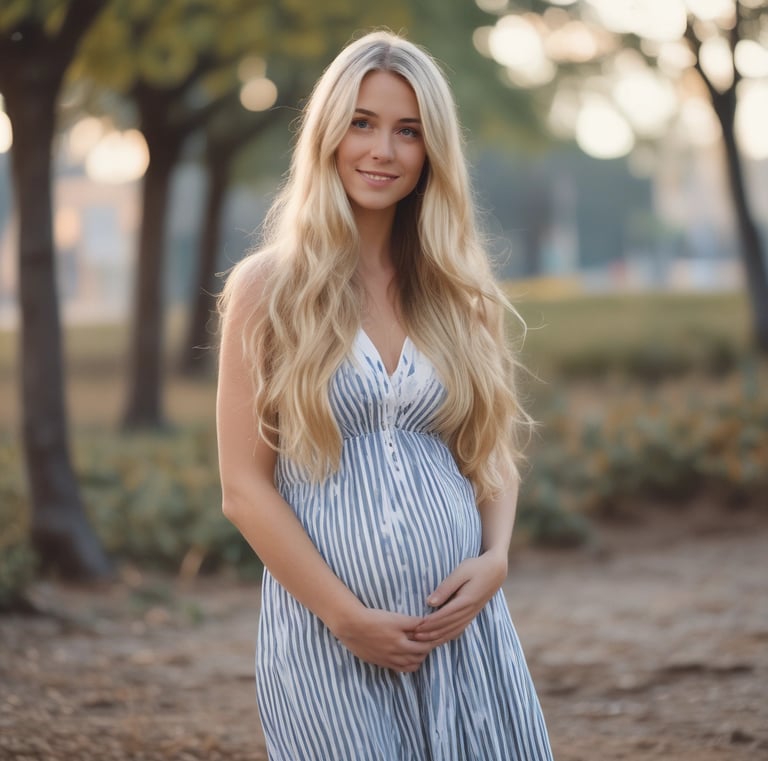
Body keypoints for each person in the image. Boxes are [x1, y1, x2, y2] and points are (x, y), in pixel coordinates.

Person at [216, 29, 553, 760]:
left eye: (408, 131)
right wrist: (346, 617)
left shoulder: (464, 296)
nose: (382, 151)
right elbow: (243, 487)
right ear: (329, 133)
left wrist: (495, 558)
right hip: (327, 645)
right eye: (362, 123)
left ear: (433, 151)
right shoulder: (267, 290)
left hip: (466, 640)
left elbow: (489, 452)